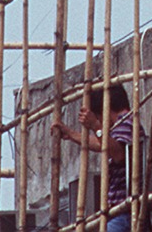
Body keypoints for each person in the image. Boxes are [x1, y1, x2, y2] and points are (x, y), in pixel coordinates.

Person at [51, 82, 134, 232]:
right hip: (121, 213)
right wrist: (71, 134)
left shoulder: (126, 124)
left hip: (124, 213)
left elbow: (118, 152)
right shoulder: (121, 127)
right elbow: (102, 143)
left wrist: (96, 126)